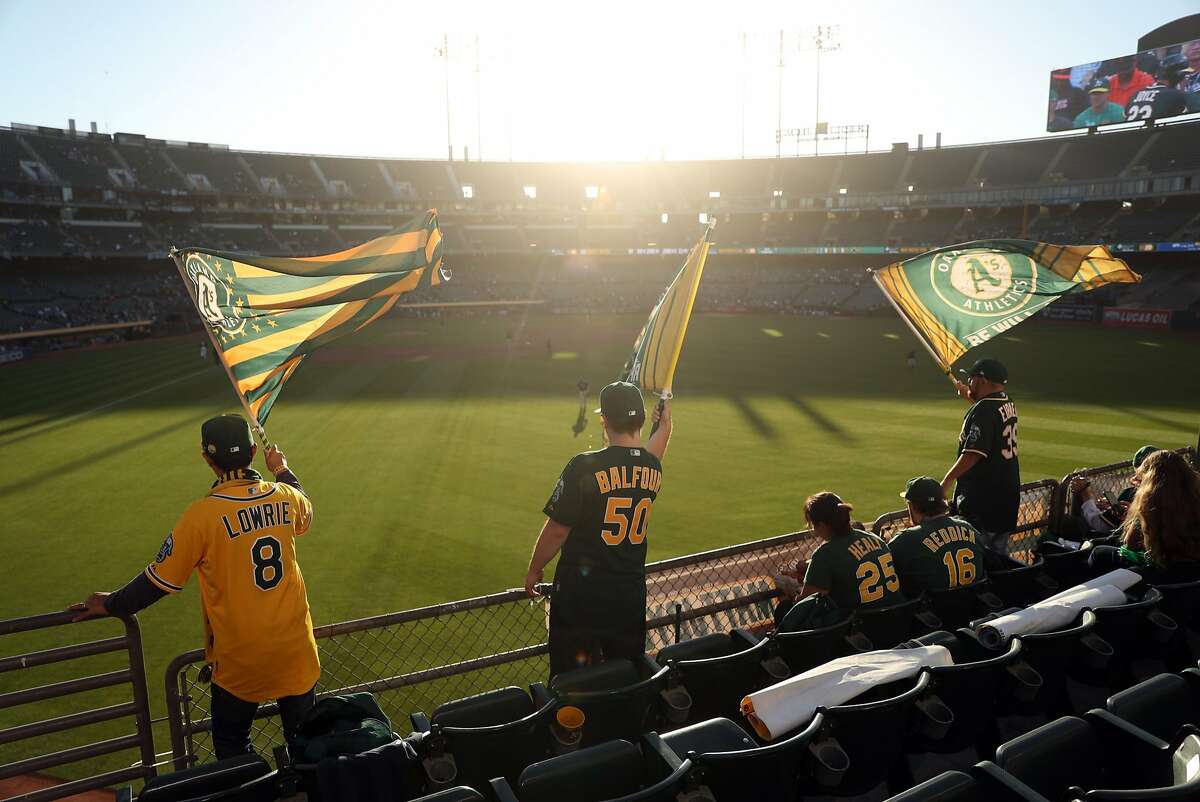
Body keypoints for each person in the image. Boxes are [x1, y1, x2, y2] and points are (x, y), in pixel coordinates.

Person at [70, 414, 318, 759]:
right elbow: (304, 504)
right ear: (251, 451)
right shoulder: (284, 497)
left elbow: (159, 581)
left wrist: (112, 604)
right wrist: (280, 468)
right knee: (308, 747)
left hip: (240, 659)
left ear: (207, 458)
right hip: (296, 650)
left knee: (234, 752)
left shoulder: (202, 515)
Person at [525, 381, 672, 679]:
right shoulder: (652, 467)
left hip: (583, 598)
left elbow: (557, 529)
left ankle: (576, 726)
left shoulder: (584, 466)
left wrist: (534, 569)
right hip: (629, 594)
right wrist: (666, 426)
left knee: (572, 679)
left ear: (604, 420)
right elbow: (649, 454)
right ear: (642, 419)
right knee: (624, 672)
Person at [777, 492, 904, 630]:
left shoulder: (825, 554)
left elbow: (806, 606)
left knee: (784, 609)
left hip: (862, 629)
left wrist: (792, 589)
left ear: (822, 525)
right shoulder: (875, 539)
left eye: (813, 525)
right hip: (898, 618)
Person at [941, 358, 1020, 555]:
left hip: (983, 503)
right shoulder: (1006, 401)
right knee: (998, 562)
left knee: (977, 561)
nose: (969, 382)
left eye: (971, 378)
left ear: (983, 380)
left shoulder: (984, 410)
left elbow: (973, 454)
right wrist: (969, 396)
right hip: (1005, 500)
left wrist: (946, 481)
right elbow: (988, 411)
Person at [1088, 450, 1200, 584]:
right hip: (1193, 572)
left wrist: (1134, 514)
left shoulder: (1149, 503)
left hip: (1163, 575)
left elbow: (1131, 546)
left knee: (1099, 553)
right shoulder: (1195, 496)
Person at [888, 477, 986, 598]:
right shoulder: (968, 528)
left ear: (912, 506)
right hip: (976, 605)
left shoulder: (906, 540)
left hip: (932, 612)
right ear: (942, 502)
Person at [1067, 445, 1160, 536]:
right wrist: (1110, 508)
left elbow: (1099, 525)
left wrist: (1085, 493)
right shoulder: (1170, 490)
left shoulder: (1133, 493)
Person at [1123, 54, 1190, 122]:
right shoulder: (1176, 95)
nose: (1187, 79)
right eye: (1186, 75)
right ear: (1178, 76)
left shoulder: (1135, 94)